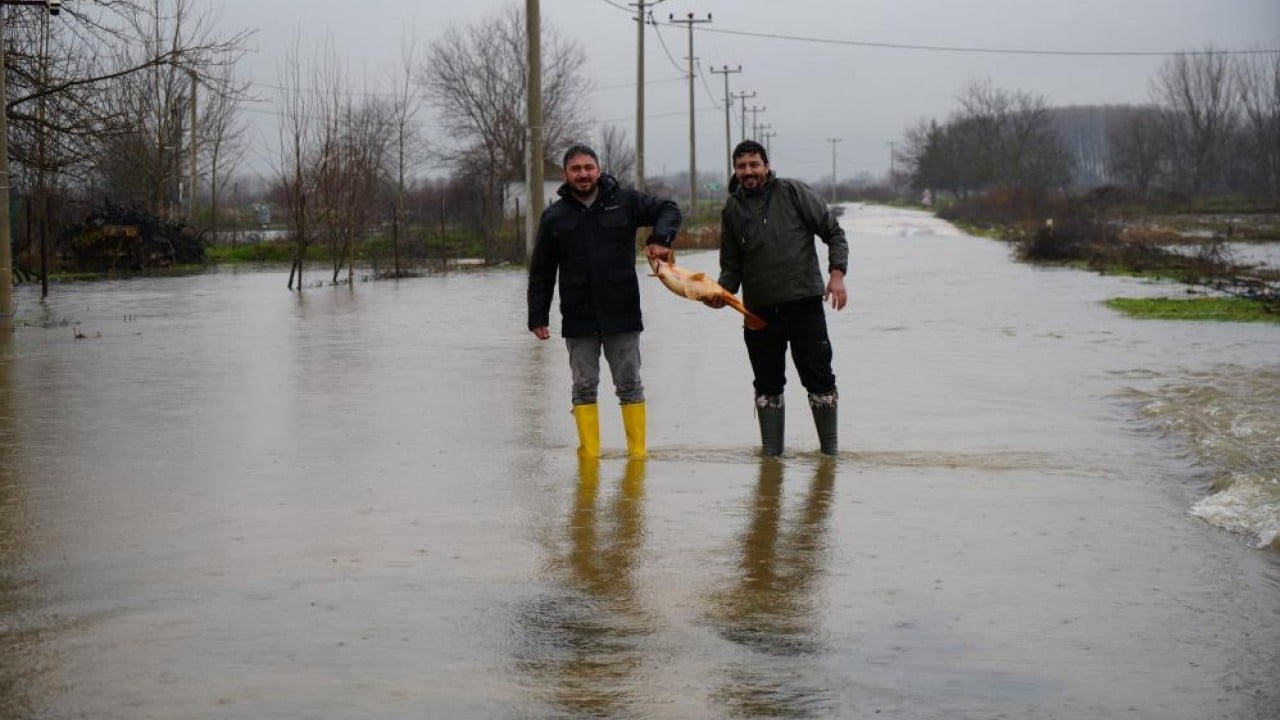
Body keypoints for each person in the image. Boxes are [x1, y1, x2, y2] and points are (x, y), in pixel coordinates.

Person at [528, 144, 682, 459]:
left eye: (588, 167)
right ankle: (590, 458)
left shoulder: (625, 202)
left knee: (629, 383)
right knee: (583, 386)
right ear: (566, 174)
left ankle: (637, 457)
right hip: (578, 318)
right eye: (576, 169)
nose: (583, 174)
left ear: (598, 169)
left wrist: (660, 239)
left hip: (622, 313)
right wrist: (537, 316)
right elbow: (541, 271)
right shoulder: (554, 216)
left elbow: (669, 208)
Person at [706, 140, 849, 457]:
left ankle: (830, 456)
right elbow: (731, 266)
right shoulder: (732, 209)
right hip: (758, 313)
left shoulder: (793, 192)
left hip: (805, 305)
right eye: (741, 166)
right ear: (735, 170)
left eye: (754, 164)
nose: (748, 171)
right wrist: (721, 293)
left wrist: (837, 274)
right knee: (767, 386)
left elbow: (833, 231)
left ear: (766, 166)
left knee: (820, 381)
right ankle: (771, 459)